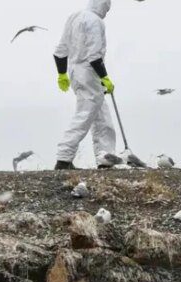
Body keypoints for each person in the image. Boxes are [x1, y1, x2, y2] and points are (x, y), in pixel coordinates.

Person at [53, 0, 117, 170]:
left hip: (76, 71)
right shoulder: (96, 22)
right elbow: (94, 56)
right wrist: (105, 77)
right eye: (107, 7)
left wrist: (62, 74)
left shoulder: (74, 17)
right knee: (85, 114)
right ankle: (63, 159)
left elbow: (60, 50)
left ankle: (105, 157)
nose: (107, 11)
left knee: (102, 116)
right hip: (89, 73)